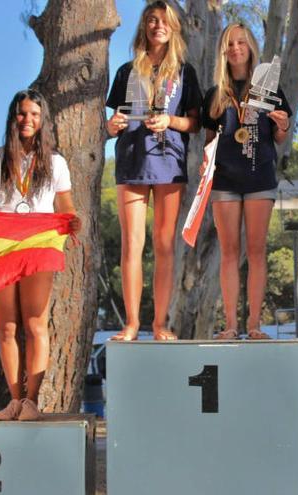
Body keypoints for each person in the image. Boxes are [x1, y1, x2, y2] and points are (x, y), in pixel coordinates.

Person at [105, 0, 201, 341]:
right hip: (131, 158)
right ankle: (131, 324)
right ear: (144, 26)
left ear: (174, 27)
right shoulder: (126, 71)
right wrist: (111, 125)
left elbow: (195, 122)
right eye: (151, 20)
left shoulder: (185, 72)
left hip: (169, 162)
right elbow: (112, 120)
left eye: (164, 20)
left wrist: (169, 120)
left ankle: (160, 323)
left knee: (164, 245)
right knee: (131, 244)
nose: (157, 25)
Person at [0, 89, 80, 421]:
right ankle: (13, 400)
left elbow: (64, 204)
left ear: (43, 121)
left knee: (36, 323)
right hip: (0, 246)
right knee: (7, 327)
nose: (28, 120)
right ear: (13, 117)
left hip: (38, 245)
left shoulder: (55, 162)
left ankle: (32, 402)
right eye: (22, 114)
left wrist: (72, 219)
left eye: (35, 115)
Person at [202, 23, 292, 340]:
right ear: (223, 51)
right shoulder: (215, 93)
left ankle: (254, 324)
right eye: (229, 44)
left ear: (251, 46)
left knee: (256, 250)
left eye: (241, 42)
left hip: (259, 176)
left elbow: (280, 137)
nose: (236, 48)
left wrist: (282, 124)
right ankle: (230, 325)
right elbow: (209, 139)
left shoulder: (269, 88)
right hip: (225, 179)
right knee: (229, 252)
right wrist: (207, 158)